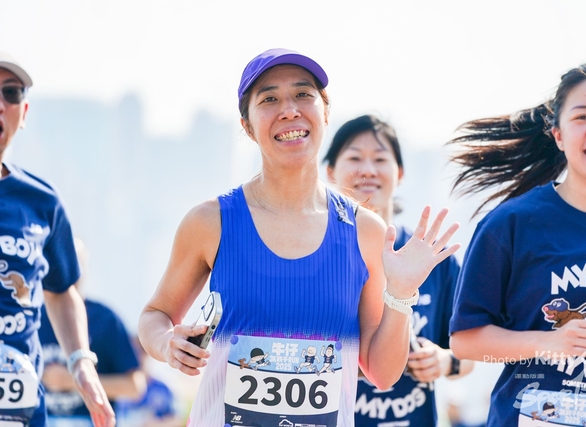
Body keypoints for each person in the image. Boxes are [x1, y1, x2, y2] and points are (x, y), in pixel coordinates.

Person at [137, 48, 461, 427]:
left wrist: (402, 293)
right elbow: (155, 316)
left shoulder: (365, 230)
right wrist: (167, 343)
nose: (289, 110)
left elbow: (382, 373)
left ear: (325, 113)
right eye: (269, 99)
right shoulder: (210, 222)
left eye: (303, 94)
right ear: (247, 126)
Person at [447, 60, 586, 426]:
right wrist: (547, 343)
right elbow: (465, 342)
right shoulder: (512, 224)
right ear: (558, 136)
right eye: (582, 117)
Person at [324, 114, 473, 427]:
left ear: (400, 173)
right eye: (354, 158)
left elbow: (472, 349)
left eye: (380, 159)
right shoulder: (314, 257)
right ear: (330, 172)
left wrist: (444, 361)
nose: (368, 170)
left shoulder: (431, 259)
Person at [0, 50, 115, 426]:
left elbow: (62, 291)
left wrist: (81, 363)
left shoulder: (42, 200)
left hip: (20, 409)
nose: (0, 104)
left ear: (23, 112)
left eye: (11, 93)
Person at [39, 239, 146, 426]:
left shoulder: (106, 320)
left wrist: (72, 381)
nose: (65, 268)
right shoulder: (31, 318)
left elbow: (135, 386)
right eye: (59, 260)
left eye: (74, 261)